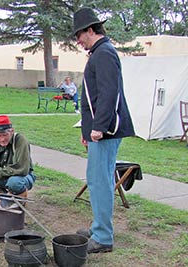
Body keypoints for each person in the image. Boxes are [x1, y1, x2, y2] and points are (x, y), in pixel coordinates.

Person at [72, 7, 135, 253]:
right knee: (98, 180)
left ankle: (103, 237)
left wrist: (98, 128)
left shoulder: (105, 53)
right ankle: (99, 226)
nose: (77, 41)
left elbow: (109, 93)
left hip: (106, 130)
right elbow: (93, 96)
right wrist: (86, 130)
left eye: (79, 35)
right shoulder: (98, 53)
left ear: (90, 30)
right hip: (98, 130)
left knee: (99, 182)